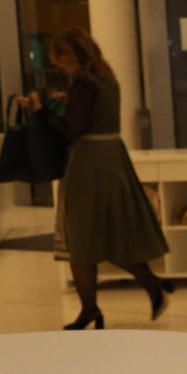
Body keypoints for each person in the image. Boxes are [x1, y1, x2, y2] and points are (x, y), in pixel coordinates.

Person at [22, 27, 169, 328]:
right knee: (113, 235)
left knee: (81, 240)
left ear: (70, 55)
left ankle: (91, 309)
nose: (60, 65)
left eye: (61, 58)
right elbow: (93, 116)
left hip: (88, 164)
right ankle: (152, 285)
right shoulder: (107, 78)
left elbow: (72, 130)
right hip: (112, 159)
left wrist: (40, 111)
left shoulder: (83, 83)